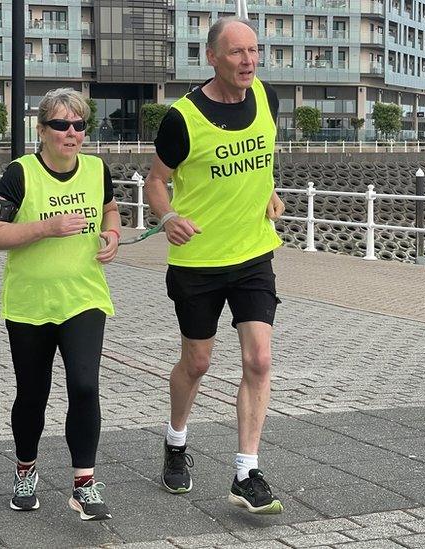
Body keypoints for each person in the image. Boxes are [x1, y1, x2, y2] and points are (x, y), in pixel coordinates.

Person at [144, 16, 286, 515]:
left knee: (259, 360)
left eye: (254, 51)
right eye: (236, 53)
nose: (248, 61)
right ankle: (176, 439)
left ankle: (246, 472)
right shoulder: (182, 118)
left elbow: (263, 157)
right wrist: (168, 216)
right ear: (211, 57)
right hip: (198, 262)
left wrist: (270, 191)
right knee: (197, 363)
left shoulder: (265, 98)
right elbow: (156, 180)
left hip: (252, 255)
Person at [0, 88, 120, 521]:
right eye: (61, 125)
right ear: (41, 131)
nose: (72, 133)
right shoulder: (20, 174)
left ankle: (84, 483)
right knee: (33, 394)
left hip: (84, 297)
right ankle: (26, 470)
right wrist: (46, 227)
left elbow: (111, 209)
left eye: (79, 125)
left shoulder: (97, 170)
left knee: (84, 386)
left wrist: (112, 235)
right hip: (29, 303)